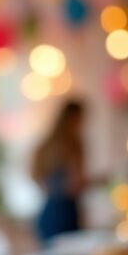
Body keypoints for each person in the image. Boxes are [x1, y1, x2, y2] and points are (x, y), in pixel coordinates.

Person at [32, 100, 87, 243]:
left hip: (48, 213)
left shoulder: (46, 144)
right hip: (65, 214)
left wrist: (52, 187)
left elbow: (34, 175)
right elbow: (74, 184)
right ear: (74, 118)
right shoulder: (73, 144)